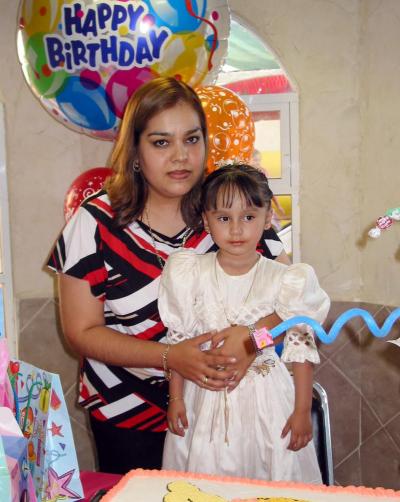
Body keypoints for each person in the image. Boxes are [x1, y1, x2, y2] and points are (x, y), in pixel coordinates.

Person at [47, 77, 290, 474]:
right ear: (136, 152)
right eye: (162, 142)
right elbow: (80, 333)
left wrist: (253, 342)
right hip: (127, 417)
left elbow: (291, 305)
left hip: (227, 417)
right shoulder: (94, 223)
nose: (181, 156)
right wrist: (170, 357)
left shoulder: (234, 210)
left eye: (192, 140)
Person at [159, 164, 330, 482]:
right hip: (204, 398)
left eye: (249, 217)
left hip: (267, 403)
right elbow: (180, 339)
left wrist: (302, 410)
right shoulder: (189, 273)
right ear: (207, 221)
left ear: (267, 218)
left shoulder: (286, 279)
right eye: (224, 218)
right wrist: (177, 398)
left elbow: (300, 345)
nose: (237, 230)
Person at [251, 149, 287, 231]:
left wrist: (279, 206)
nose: (258, 163)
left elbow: (270, 191)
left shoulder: (263, 171)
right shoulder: (244, 172)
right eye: (255, 160)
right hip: (254, 204)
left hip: (264, 204)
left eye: (259, 160)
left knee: (271, 224)